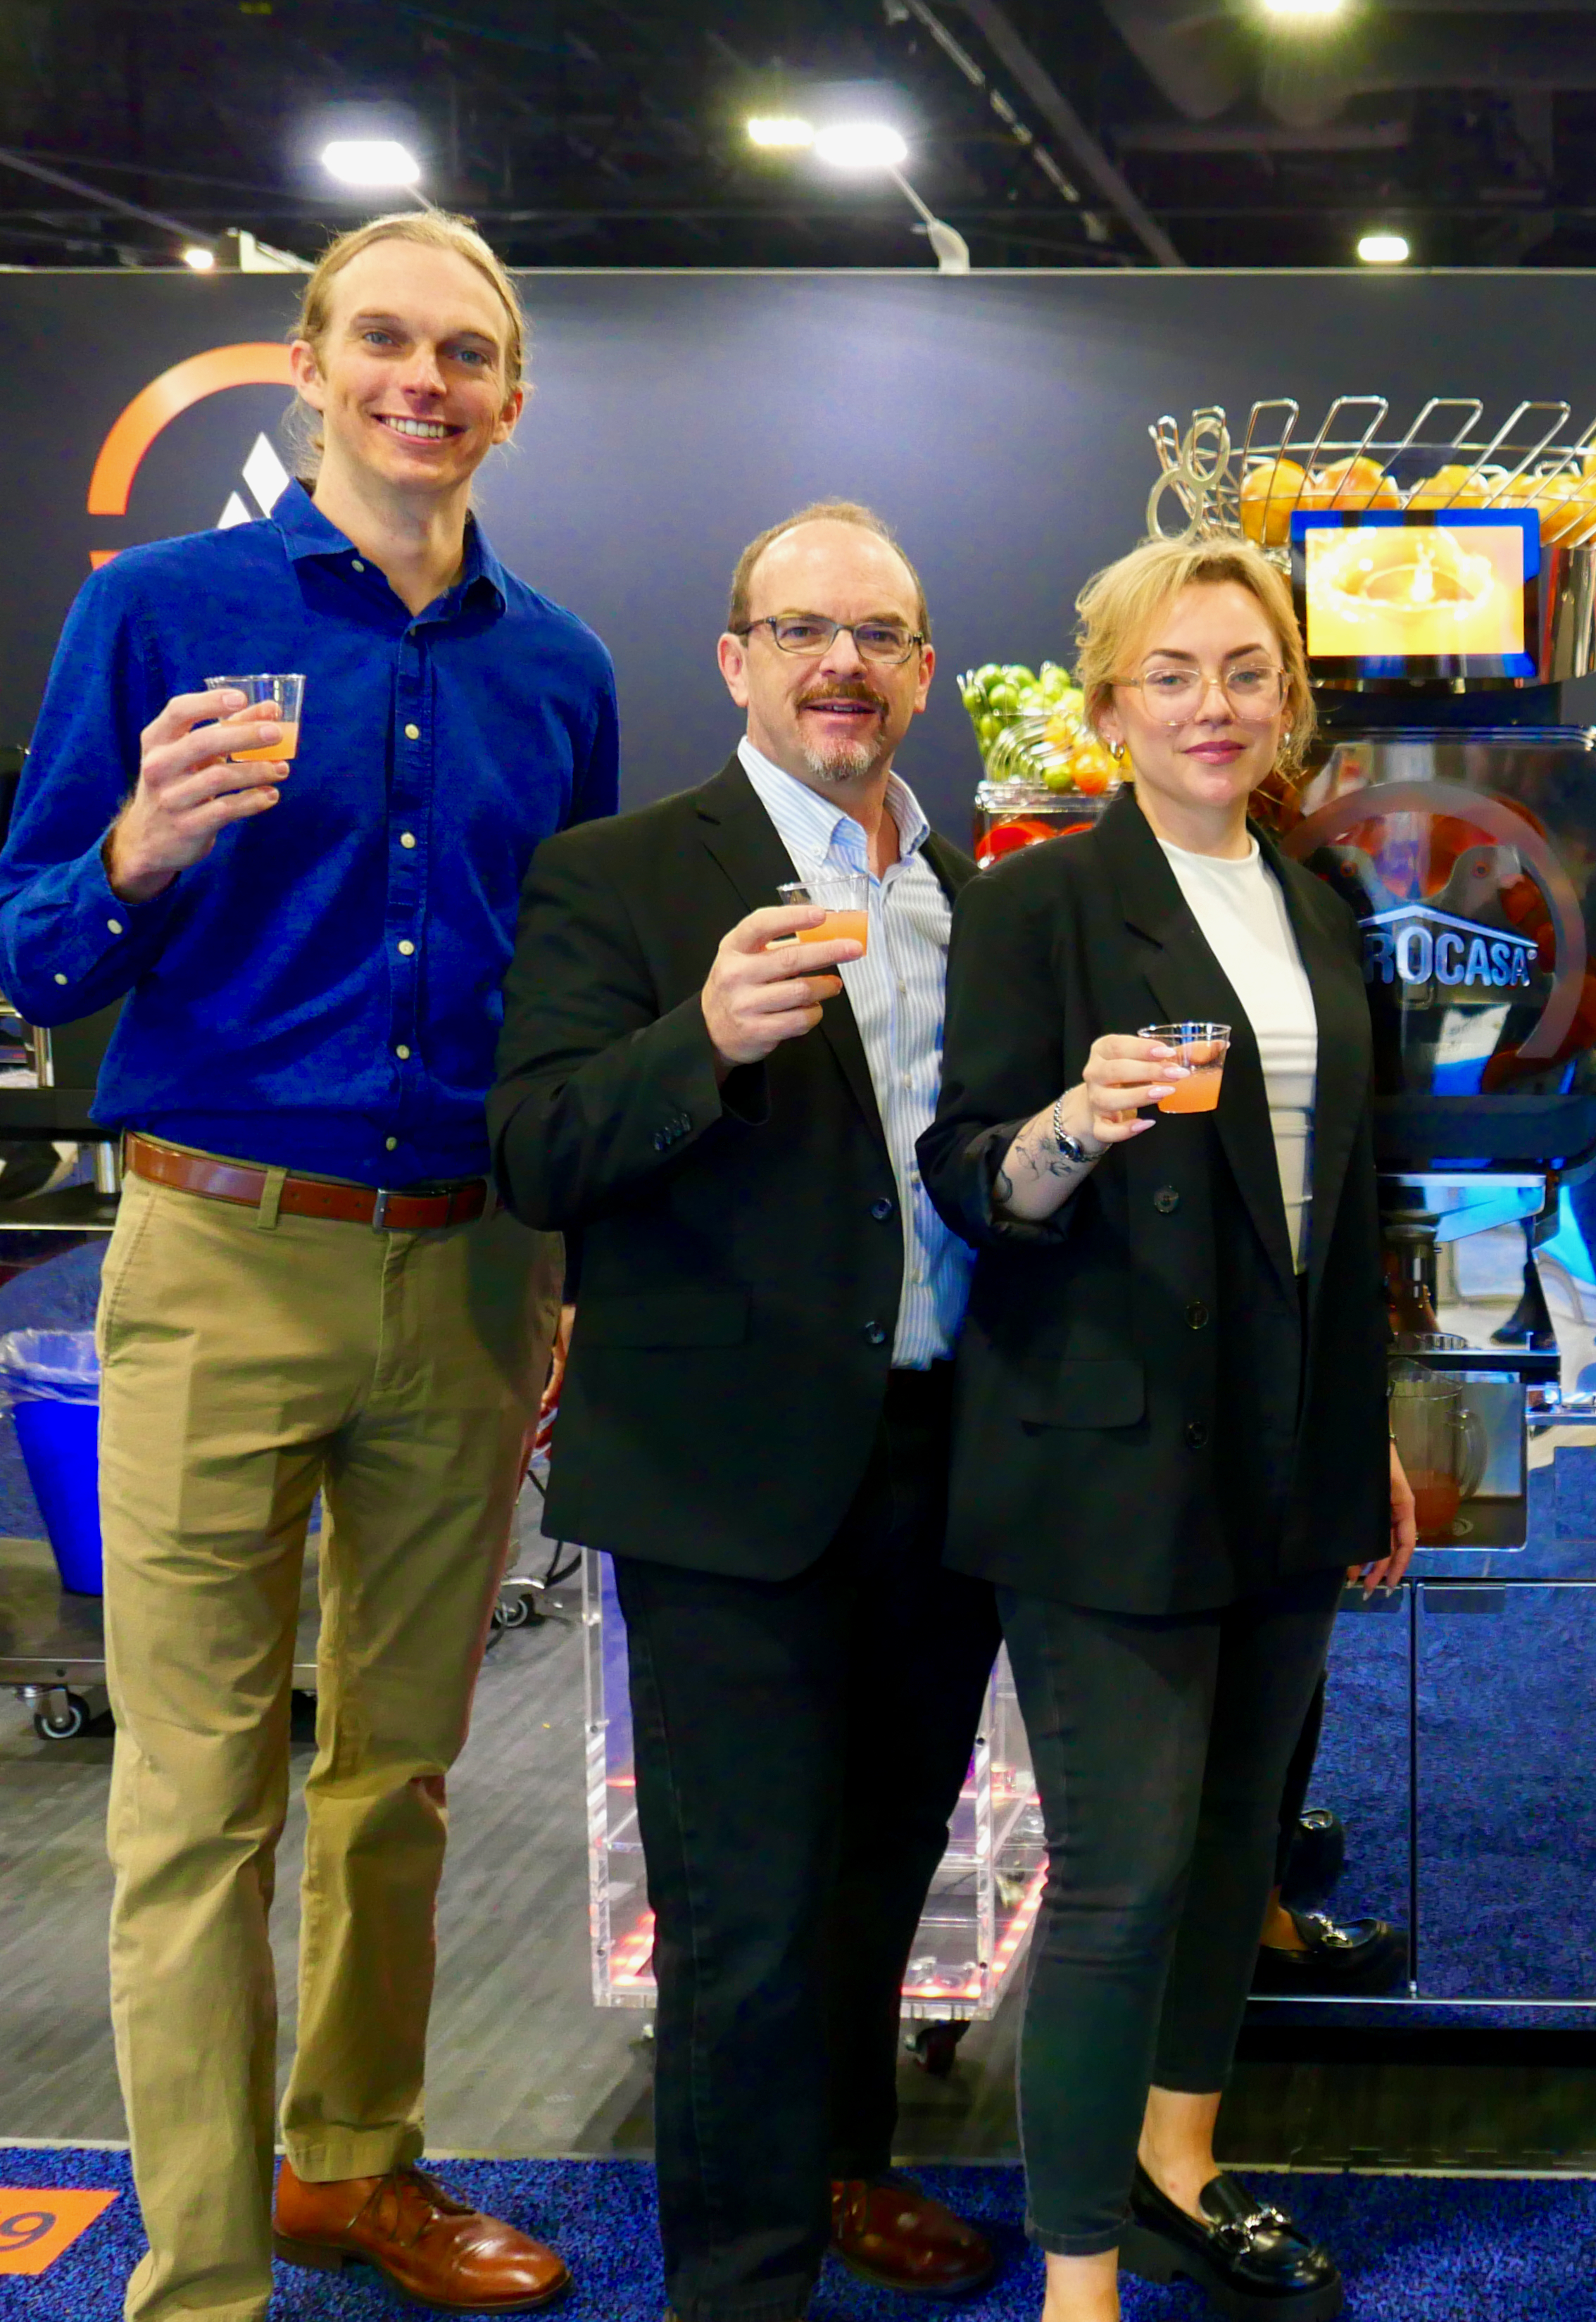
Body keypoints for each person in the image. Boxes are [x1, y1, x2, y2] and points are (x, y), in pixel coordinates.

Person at [0, 211, 610, 2322]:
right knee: (194, 1801)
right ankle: (199, 2275)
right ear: (307, 361)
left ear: (509, 397)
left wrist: (567, 1268)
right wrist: (138, 853)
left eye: (463, 349)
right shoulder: (161, 613)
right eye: (381, 339)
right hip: (215, 1251)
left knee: (397, 1774)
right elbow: (29, 939)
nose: (420, 378)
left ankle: (357, 2167)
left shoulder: (565, 668)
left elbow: (575, 999)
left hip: (463, 1271)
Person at [487, 501, 1003, 2320]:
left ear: (923, 670)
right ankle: (740, 2284)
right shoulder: (620, 880)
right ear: (735, 661)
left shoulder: (974, 893)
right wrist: (697, 1034)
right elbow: (538, 1151)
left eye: (876, 633)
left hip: (947, 1470)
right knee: (745, 1920)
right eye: (800, 630)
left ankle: (850, 2169)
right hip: (723, 1491)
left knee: (884, 1872)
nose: (839, 663)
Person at [919, 532, 1414, 2322]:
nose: (1215, 704)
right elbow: (971, 1177)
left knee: (1229, 1853)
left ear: (1289, 699)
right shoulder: (1041, 902)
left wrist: (1360, 1437)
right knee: (1124, 1872)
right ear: (1109, 701)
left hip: (1286, 1450)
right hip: (1101, 1455)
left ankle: (1178, 2160)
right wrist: (1072, 1120)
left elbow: (1352, 1200)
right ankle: (1075, 2282)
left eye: (1247, 670)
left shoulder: (1320, 902)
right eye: (1174, 672)